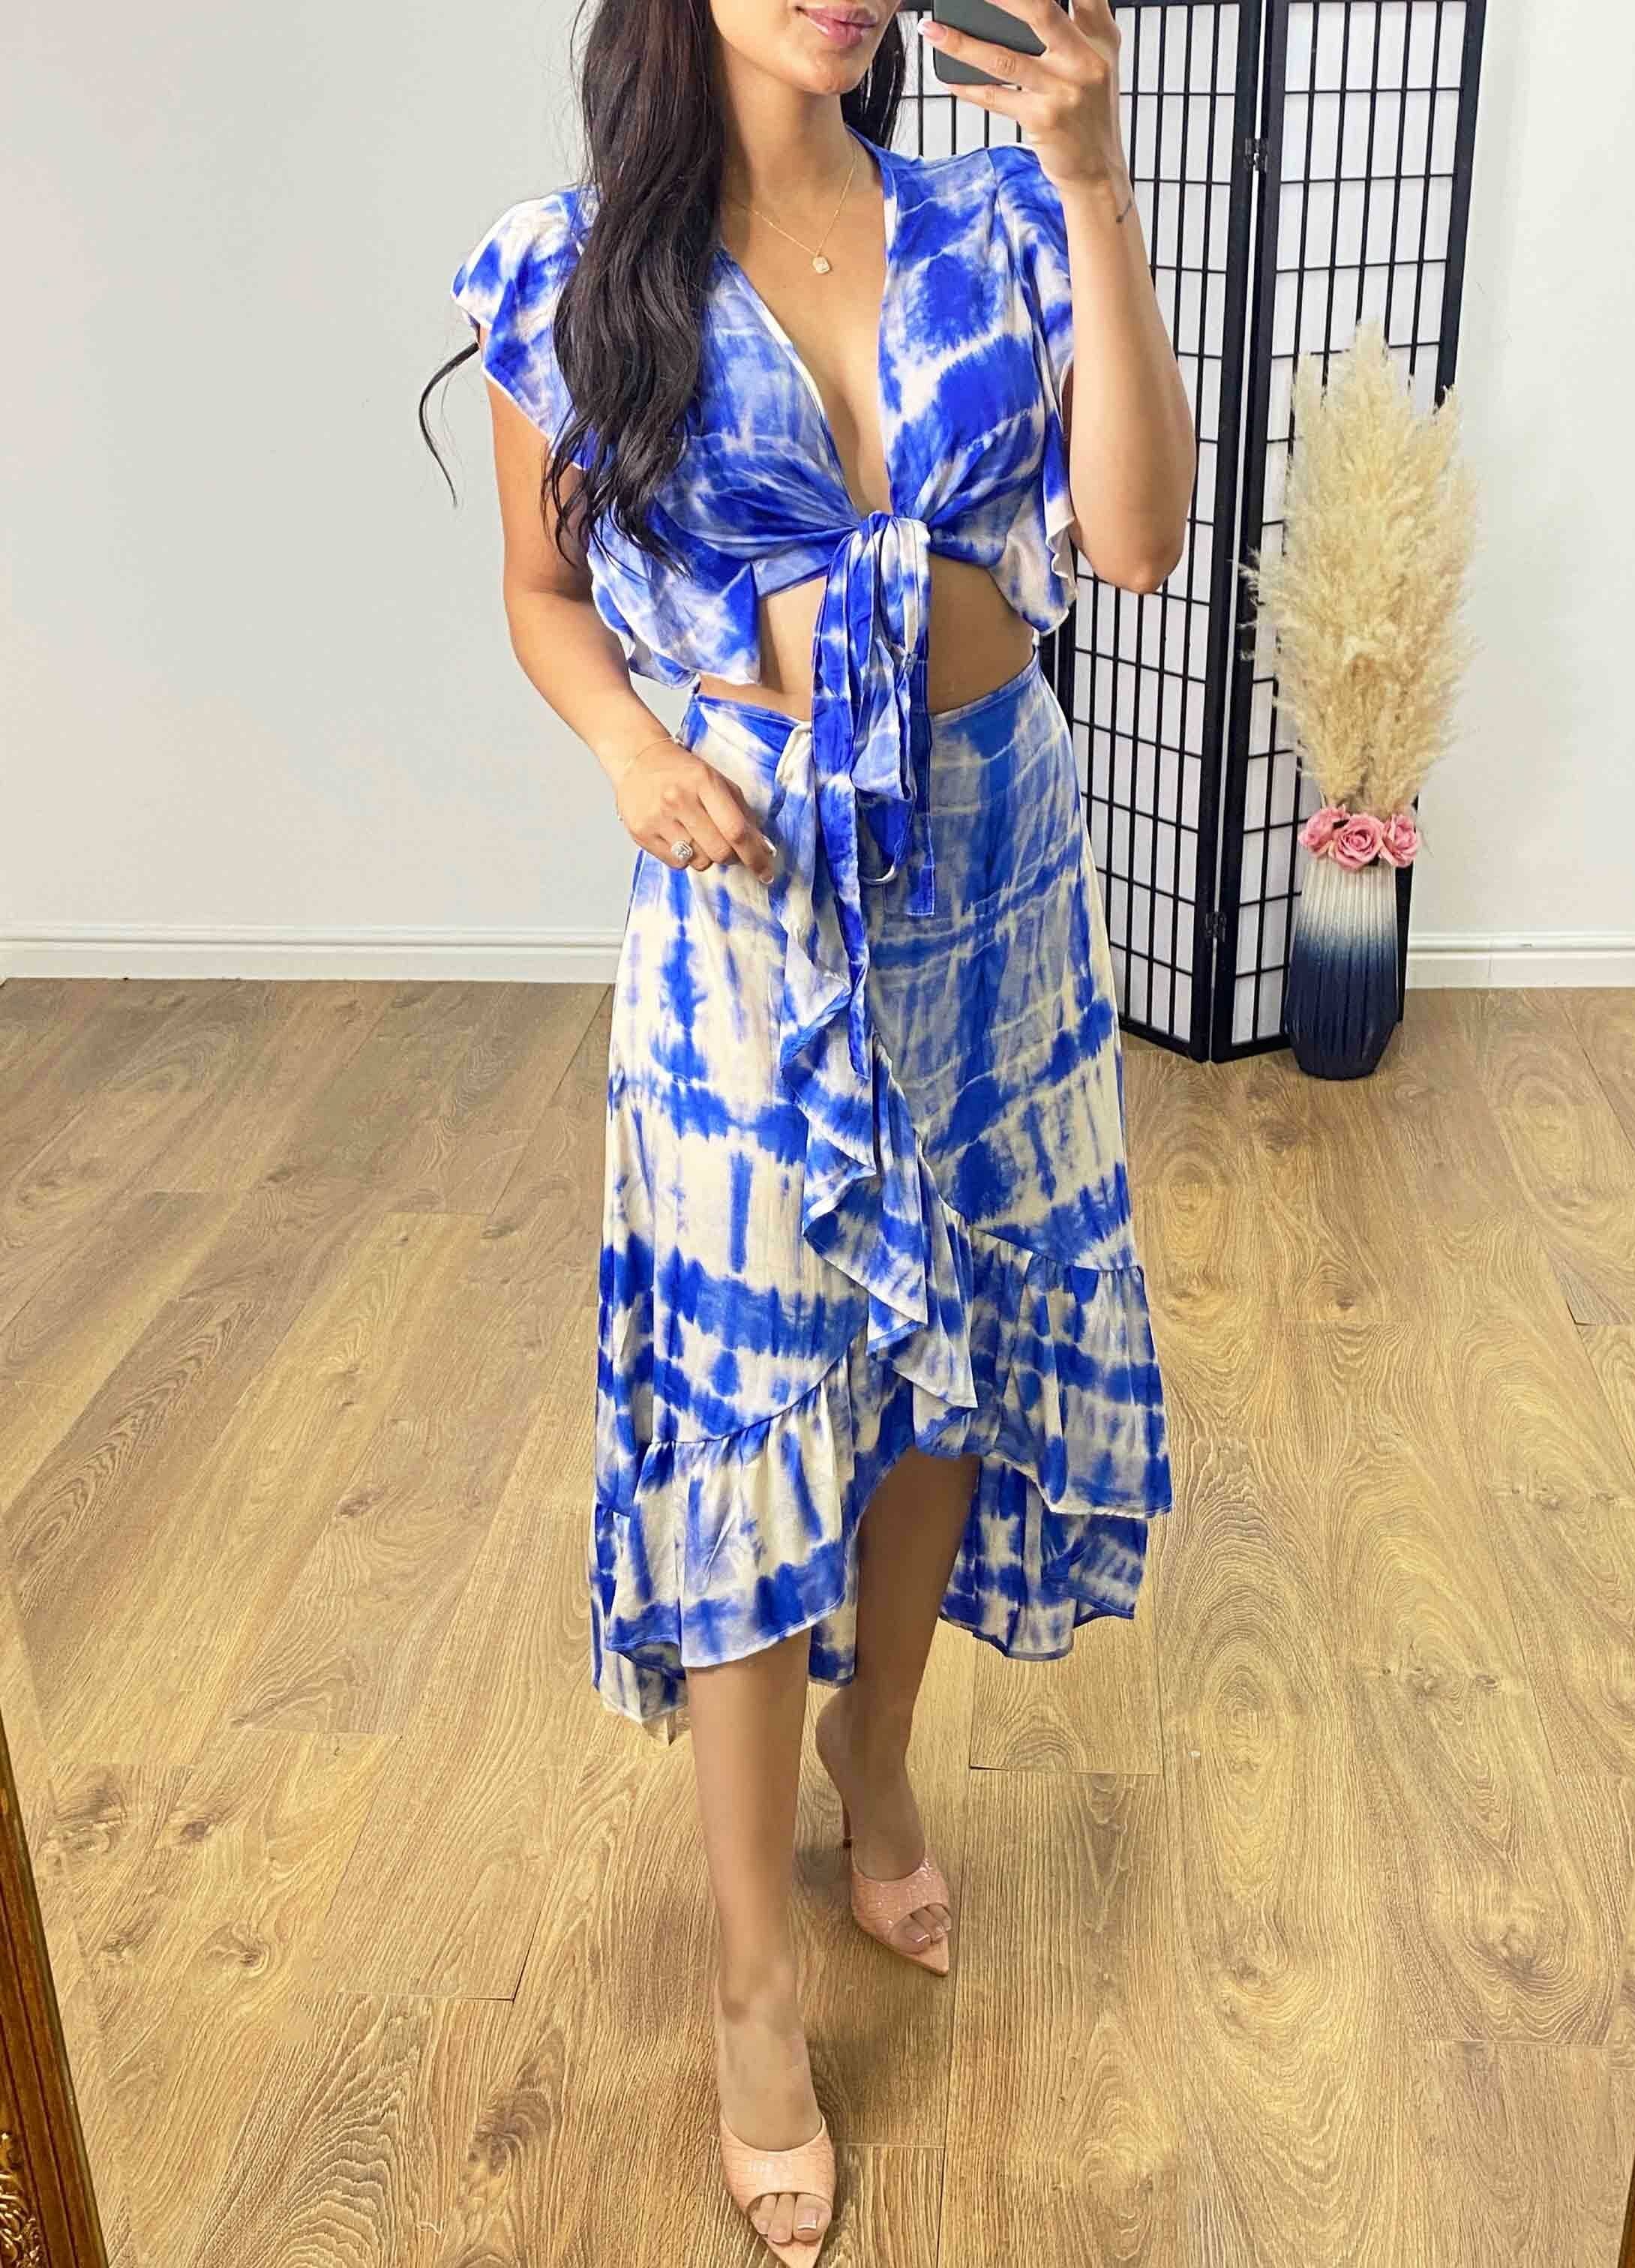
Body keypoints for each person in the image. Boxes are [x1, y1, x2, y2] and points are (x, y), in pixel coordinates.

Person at [422, 1, 1193, 2255]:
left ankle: (883, 1759)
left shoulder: (999, 218)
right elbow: (543, 595)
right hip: (752, 878)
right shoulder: (577, 272)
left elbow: (1134, 542)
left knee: (952, 1362)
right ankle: (753, 1979)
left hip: (996, 857)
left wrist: (1094, 180)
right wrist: (631, 756)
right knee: (760, 1402)